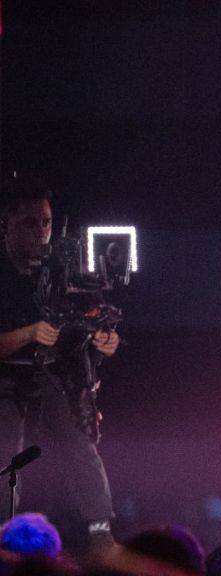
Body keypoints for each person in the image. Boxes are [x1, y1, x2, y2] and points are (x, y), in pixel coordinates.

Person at [0, 174, 119, 550]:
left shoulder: (62, 267)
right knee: (6, 452)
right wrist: (27, 334)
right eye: (29, 223)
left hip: (50, 371)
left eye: (47, 222)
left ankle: (101, 533)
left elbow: (94, 318)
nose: (41, 232)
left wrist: (104, 341)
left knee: (79, 443)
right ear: (6, 225)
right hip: (5, 376)